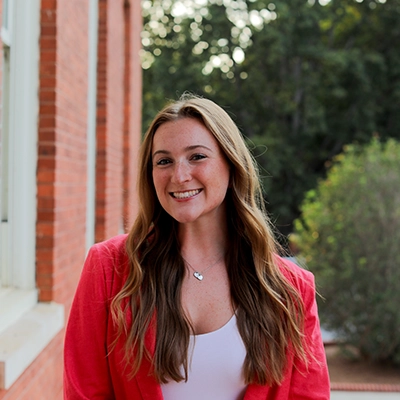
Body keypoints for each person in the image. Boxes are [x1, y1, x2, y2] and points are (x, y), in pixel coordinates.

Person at [64, 94, 330, 399]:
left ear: (231, 165)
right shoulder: (109, 267)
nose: (179, 176)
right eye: (164, 161)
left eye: (197, 156)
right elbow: (84, 392)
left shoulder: (290, 290)